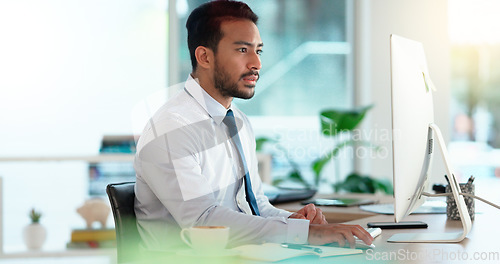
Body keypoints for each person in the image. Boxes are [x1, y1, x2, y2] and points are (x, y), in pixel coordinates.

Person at [134, 0, 373, 252]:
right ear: (204, 56)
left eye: (258, 51)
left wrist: (292, 221)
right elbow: (203, 221)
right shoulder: (171, 129)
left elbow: (254, 204)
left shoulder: (237, 121)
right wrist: (304, 233)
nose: (256, 64)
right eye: (242, 50)